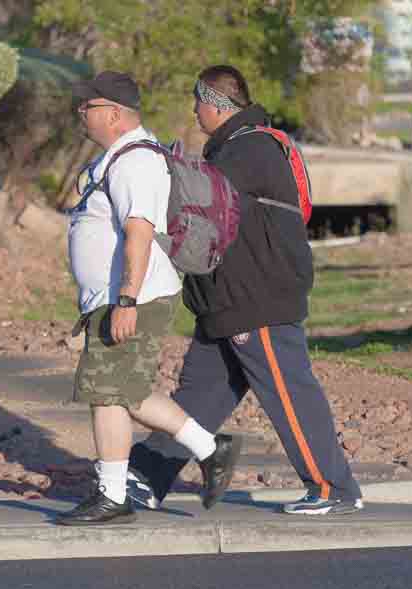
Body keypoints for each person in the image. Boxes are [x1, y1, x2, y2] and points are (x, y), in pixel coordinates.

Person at [128, 65, 364, 515]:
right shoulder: (240, 148)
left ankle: (333, 486)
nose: (194, 112)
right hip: (225, 301)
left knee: (288, 390)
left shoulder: (250, 149)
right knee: (199, 393)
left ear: (215, 104)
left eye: (198, 102)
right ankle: (144, 476)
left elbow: (197, 196)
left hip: (256, 299)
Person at [55, 71, 242, 527]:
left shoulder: (135, 162)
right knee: (126, 392)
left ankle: (113, 494)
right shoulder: (120, 157)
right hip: (121, 297)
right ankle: (210, 449)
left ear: (113, 114)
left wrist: (125, 300)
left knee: (107, 393)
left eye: (89, 107)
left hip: (132, 298)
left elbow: (139, 232)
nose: (83, 114)